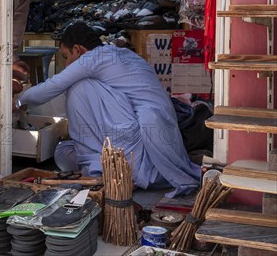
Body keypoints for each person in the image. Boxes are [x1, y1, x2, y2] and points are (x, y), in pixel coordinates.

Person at [17, 21, 201, 197]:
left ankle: (102, 168)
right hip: (152, 139)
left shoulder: (92, 58)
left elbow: (53, 85)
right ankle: (100, 163)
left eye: (66, 57)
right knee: (62, 153)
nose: (66, 64)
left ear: (78, 50)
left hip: (139, 146)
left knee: (78, 87)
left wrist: (18, 100)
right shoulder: (119, 53)